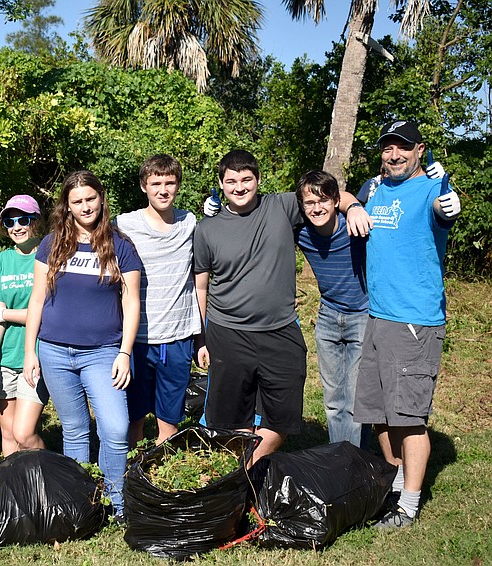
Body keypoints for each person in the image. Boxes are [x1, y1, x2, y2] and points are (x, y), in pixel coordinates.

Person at [194, 150, 371, 465]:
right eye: (231, 181)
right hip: (228, 333)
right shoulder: (207, 229)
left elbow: (326, 195)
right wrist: (202, 336)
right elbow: (201, 285)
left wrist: (354, 205)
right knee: (234, 415)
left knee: (284, 413)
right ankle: (243, 481)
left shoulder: (281, 206)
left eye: (246, 179)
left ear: (258, 180)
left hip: (281, 330)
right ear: (221, 185)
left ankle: (248, 467)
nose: (239, 187)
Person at [356, 120, 461, 528]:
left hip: (414, 320)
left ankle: (410, 504)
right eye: (387, 148)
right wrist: (351, 204)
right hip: (378, 315)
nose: (393, 154)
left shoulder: (431, 188)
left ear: (420, 150)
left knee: (409, 416)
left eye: (402, 147)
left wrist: (448, 200)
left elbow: (445, 210)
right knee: (379, 412)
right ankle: (397, 481)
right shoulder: (378, 187)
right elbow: (349, 195)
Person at [23, 170, 141, 519]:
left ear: (101, 199)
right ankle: (83, 504)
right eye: (78, 201)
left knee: (115, 428)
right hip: (54, 350)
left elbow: (131, 301)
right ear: (67, 206)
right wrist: (30, 350)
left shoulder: (120, 245)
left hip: (104, 352)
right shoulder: (52, 243)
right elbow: (37, 300)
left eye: (91, 198)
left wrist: (124, 352)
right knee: (75, 430)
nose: (85, 206)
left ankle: (117, 504)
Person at [114, 155, 205, 447]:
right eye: (156, 183)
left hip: (178, 337)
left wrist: (201, 337)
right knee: (134, 417)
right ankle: (133, 471)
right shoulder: (125, 224)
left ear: (178, 186)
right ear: (144, 186)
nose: (163, 190)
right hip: (137, 339)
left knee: (170, 418)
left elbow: (203, 275)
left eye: (169, 183)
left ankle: (163, 476)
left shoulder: (189, 222)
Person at [294, 171, 370, 448]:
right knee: (334, 400)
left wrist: (354, 207)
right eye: (309, 202)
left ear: (336, 201)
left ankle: (355, 462)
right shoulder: (301, 232)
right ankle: (340, 458)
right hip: (327, 318)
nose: (317, 208)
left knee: (354, 399)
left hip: (362, 316)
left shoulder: (355, 227)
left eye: (324, 200)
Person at [0, 195, 49, 456]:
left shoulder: (49, 256)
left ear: (36, 222)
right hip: (5, 358)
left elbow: (45, 313)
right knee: (8, 432)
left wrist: (5, 312)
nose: (16, 227)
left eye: (23, 220)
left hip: (37, 356)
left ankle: (46, 477)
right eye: (10, 221)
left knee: (25, 433)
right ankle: (14, 490)